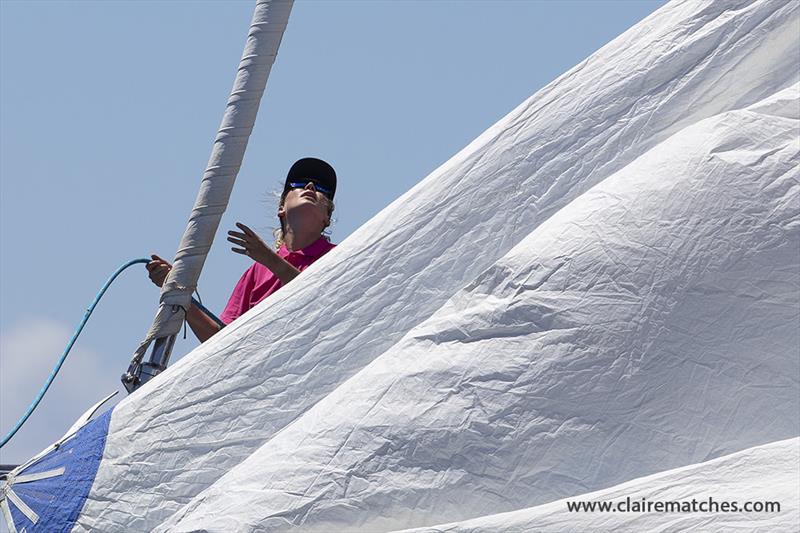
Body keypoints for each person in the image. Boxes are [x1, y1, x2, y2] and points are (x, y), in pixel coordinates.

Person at [147, 157, 337, 342]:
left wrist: (270, 259)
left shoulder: (337, 256)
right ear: (281, 208)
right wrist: (178, 291)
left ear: (327, 218)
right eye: (300, 184)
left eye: (322, 190)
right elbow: (221, 340)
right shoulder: (257, 271)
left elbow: (322, 302)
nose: (310, 186)